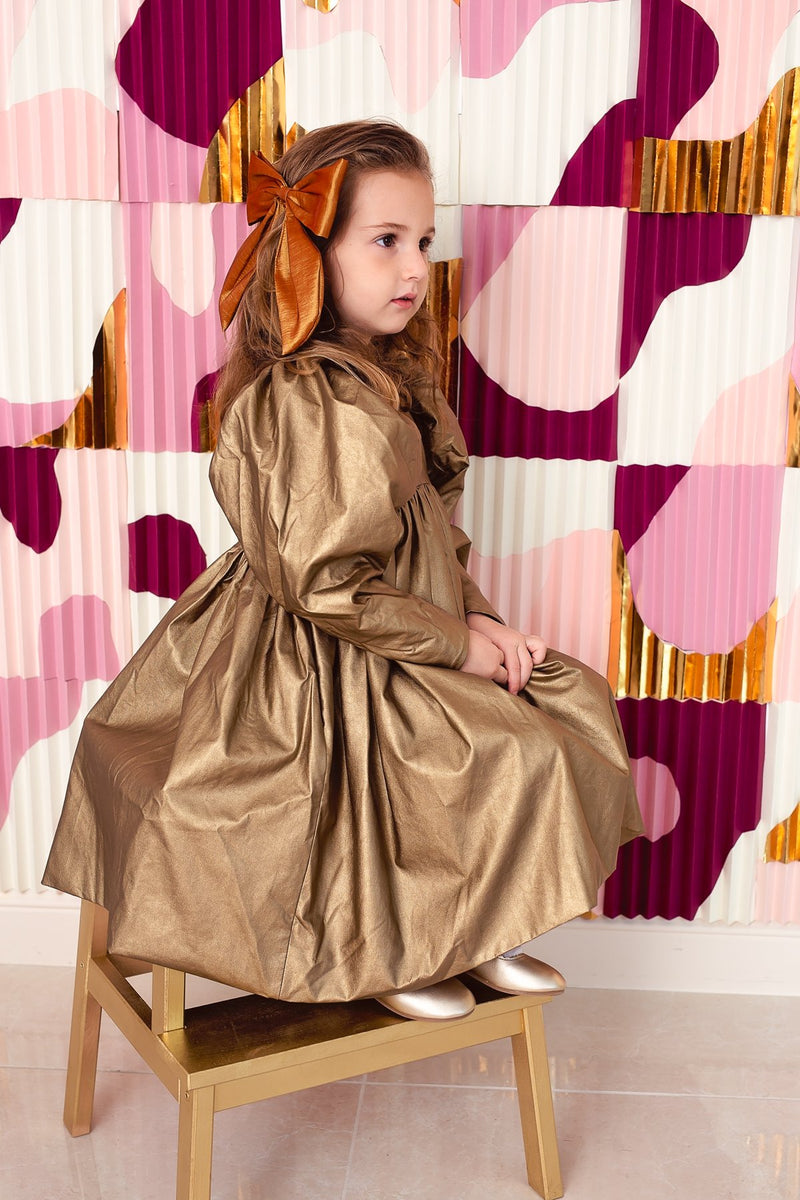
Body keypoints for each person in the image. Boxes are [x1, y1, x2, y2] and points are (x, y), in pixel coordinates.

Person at [43, 120, 641, 1022]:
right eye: (385, 241)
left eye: (424, 243)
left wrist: (479, 617)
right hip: (315, 641)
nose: (414, 269)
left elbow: (427, 533)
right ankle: (384, 945)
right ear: (311, 256)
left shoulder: (389, 376)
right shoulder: (306, 396)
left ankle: (476, 927)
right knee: (419, 762)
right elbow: (327, 582)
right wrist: (456, 645)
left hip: (402, 615)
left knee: (551, 718)